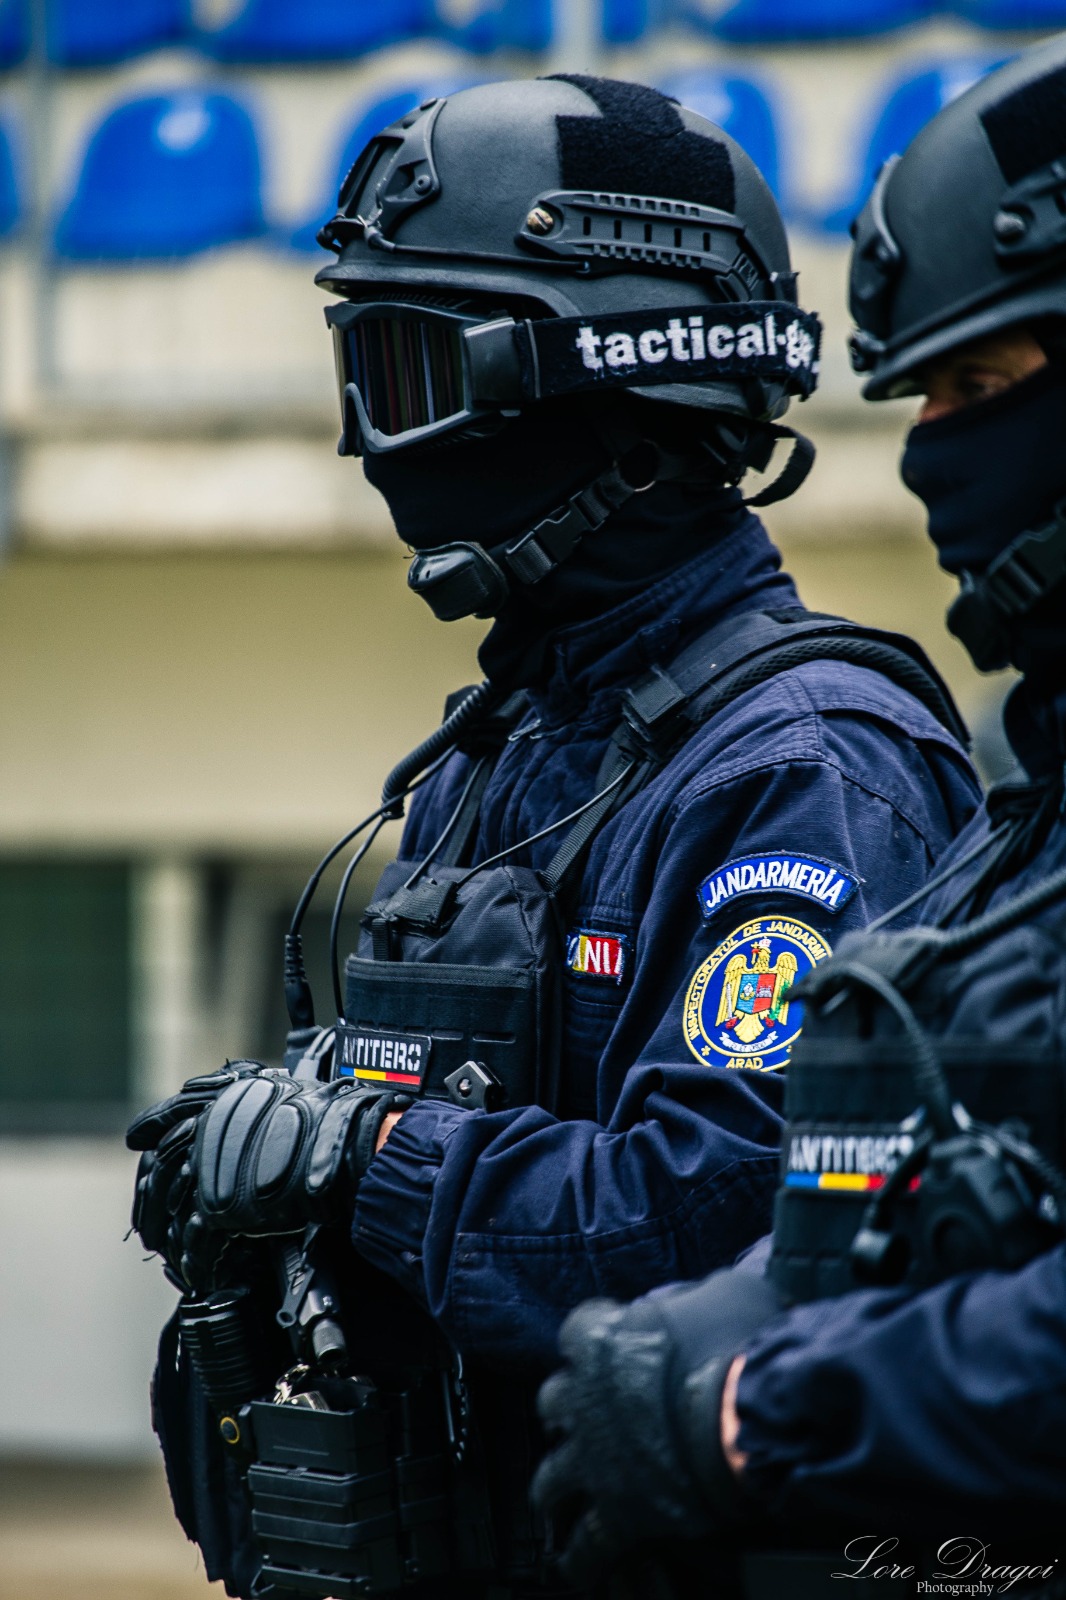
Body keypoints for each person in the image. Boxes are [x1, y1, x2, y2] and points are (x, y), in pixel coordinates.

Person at [125, 76, 979, 1599]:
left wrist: (358, 1156)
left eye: (406, 369)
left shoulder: (806, 768)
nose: (371, 443)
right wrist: (279, 1143)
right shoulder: (508, 743)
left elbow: (719, 1216)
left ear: (608, 388)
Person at [532, 35, 1066, 1594]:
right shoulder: (1026, 806)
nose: (930, 455)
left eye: (982, 390)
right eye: (921, 398)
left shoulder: (815, 753)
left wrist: (752, 1410)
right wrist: (747, 1316)